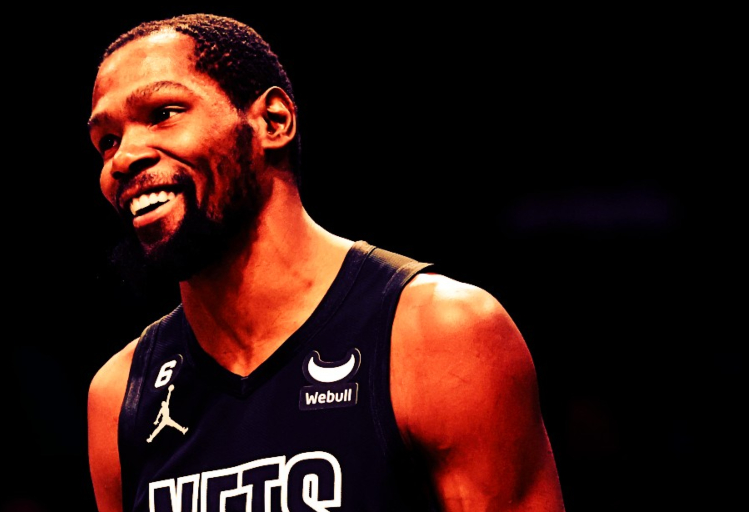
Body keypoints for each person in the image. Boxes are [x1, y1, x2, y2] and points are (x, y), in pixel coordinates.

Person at [84, 13, 566, 512]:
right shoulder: (120, 396)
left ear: (273, 122)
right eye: (107, 141)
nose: (122, 159)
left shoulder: (437, 333)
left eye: (163, 113)